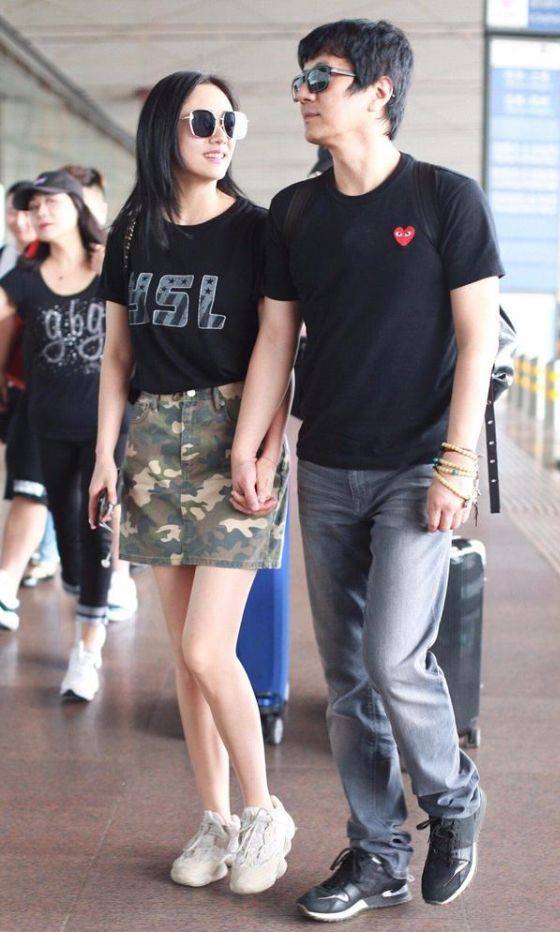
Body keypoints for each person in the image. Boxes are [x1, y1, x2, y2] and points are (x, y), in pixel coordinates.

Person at [230, 18, 504, 921]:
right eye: (300, 77)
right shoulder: (296, 212)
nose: (302, 91)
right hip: (327, 464)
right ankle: (379, 852)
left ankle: (453, 799)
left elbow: (476, 342)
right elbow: (277, 337)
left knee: (393, 657)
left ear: (379, 91)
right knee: (347, 676)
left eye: (322, 76)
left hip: (417, 464)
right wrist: (254, 444)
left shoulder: (445, 198)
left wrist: (457, 464)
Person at [92, 70, 295, 895]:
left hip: (231, 439)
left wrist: (265, 449)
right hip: (153, 443)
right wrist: (104, 457)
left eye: (229, 121)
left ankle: (264, 811)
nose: (220, 135)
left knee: (211, 647)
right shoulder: (132, 232)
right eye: (201, 121)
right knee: (185, 657)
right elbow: (117, 356)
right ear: (162, 131)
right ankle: (215, 819)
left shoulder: (258, 229)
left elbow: (280, 345)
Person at [0, 169, 129, 700]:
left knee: (98, 525)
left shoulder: (110, 269)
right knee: (66, 526)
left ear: (78, 208)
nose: (42, 212)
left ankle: (87, 648)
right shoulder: (24, 279)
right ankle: (87, 591)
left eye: (52, 202)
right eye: (35, 205)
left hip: (107, 426)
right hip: (47, 424)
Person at [62, 164, 138, 621]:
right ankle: (92, 576)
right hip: (77, 391)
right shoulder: (54, 256)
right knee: (82, 493)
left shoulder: (116, 248)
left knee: (116, 485)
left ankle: (121, 573)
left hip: (121, 391)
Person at [0, 182, 59, 628]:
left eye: (38, 208)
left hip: (72, 394)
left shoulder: (89, 260)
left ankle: (107, 586)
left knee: (41, 487)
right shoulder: (20, 263)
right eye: (21, 210)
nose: (28, 218)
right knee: (29, 485)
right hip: (25, 388)